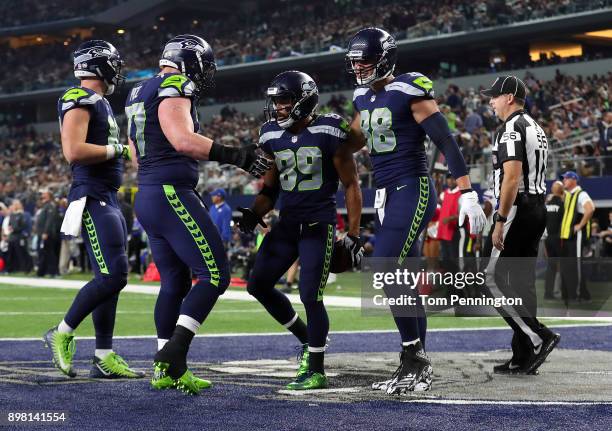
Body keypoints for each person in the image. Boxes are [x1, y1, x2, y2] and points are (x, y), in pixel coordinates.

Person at [125, 34, 271, 395]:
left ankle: (166, 369)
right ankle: (173, 355)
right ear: (189, 60)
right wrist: (238, 156)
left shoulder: (138, 91)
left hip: (148, 192)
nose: (204, 73)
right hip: (171, 192)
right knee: (216, 275)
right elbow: (182, 140)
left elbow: (134, 153)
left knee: (173, 282)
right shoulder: (176, 84)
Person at [344, 27, 486, 393]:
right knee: (402, 277)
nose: (360, 68)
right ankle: (416, 361)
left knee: (387, 266)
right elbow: (354, 138)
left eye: (366, 60)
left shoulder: (409, 88)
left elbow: (444, 138)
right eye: (355, 61)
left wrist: (465, 189)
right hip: (388, 193)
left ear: (386, 59)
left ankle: (414, 359)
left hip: (413, 187)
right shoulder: (362, 96)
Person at [238, 70, 363, 390]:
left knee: (310, 295)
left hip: (317, 225)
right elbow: (270, 189)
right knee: (257, 285)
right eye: (275, 101)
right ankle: (307, 338)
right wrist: (254, 213)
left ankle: (316, 369)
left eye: (283, 101)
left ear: (303, 101)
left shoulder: (329, 129)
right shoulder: (270, 135)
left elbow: (350, 184)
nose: (277, 107)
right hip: (287, 223)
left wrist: (353, 233)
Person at [43, 40, 143, 380]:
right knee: (114, 275)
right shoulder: (79, 97)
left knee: (112, 278)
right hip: (91, 194)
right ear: (101, 66)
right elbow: (73, 150)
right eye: (113, 63)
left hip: (107, 195)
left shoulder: (99, 103)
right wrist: (116, 149)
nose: (118, 70)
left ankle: (103, 356)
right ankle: (62, 330)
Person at [480, 75, 560, 375]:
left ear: (510, 97)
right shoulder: (536, 128)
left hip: (517, 208)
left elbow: (512, 178)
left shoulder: (511, 128)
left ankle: (539, 336)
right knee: (523, 283)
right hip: (537, 207)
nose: (491, 101)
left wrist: (500, 220)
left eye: (495, 96)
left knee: (489, 279)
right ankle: (523, 355)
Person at [559, 171, 595, 302]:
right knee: (571, 266)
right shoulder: (569, 195)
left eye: (566, 179)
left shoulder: (581, 194)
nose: (564, 181)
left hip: (577, 236)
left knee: (577, 265)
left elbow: (590, 209)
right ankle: (574, 293)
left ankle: (582, 294)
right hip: (568, 237)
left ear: (574, 180)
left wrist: (580, 225)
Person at [544, 181, 565, 300]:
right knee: (561, 265)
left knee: (550, 266)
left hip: (547, 239)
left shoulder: (546, 203)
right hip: (559, 238)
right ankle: (559, 291)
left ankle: (548, 293)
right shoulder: (563, 203)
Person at [36, 190, 61, 277]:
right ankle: (42, 272)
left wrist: (45, 232)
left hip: (48, 235)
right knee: (43, 253)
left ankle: (53, 272)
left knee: (50, 254)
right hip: (43, 234)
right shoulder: (45, 206)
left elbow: (49, 220)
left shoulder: (50, 206)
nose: (42, 195)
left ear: (49, 196)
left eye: (44, 194)